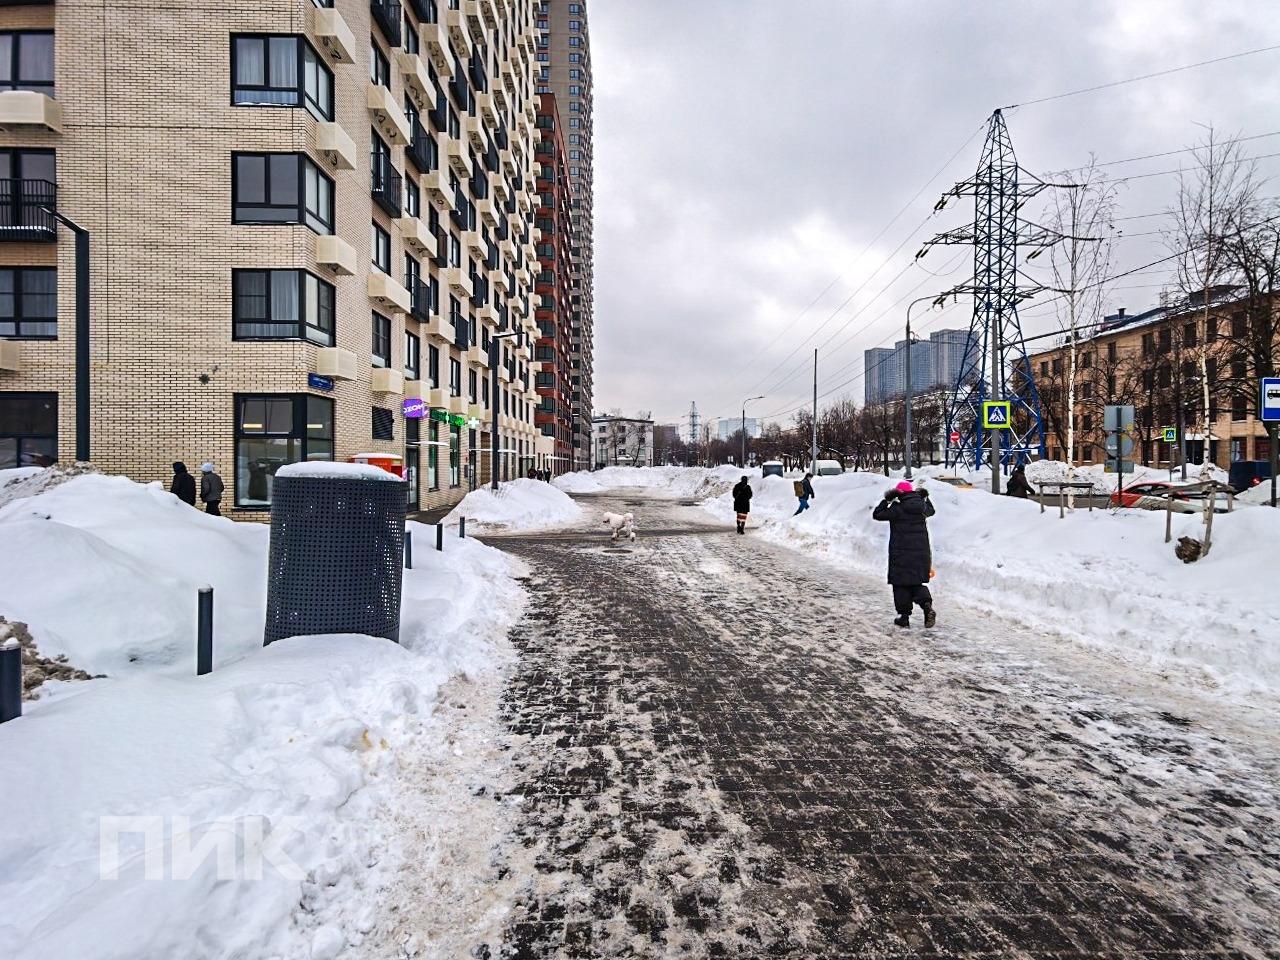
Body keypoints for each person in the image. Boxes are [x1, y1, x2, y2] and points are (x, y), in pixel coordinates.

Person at [872, 480, 937, 628]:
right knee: (916, 582)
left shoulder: (897, 509)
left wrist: (887, 500)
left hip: (901, 552)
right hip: (921, 552)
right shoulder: (922, 508)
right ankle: (927, 605)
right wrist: (926, 498)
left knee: (900, 583)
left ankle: (904, 616)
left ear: (898, 494)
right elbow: (931, 510)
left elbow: (877, 514)